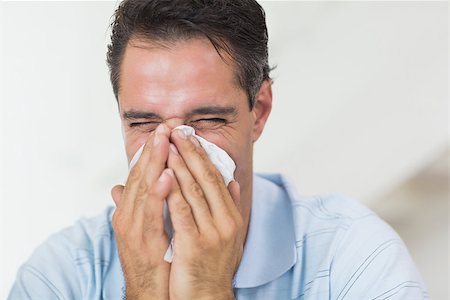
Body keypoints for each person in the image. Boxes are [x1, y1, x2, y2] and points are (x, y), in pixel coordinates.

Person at [8, 0, 428, 299]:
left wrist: (209, 289)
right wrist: (143, 288)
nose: (173, 149)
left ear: (258, 111)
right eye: (143, 123)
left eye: (207, 120)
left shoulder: (353, 254)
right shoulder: (60, 274)